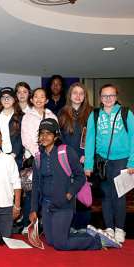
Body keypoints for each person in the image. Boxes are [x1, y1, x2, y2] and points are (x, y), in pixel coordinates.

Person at [30, 118, 120, 250]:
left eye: (49, 133)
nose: (44, 136)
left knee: (60, 245)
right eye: (42, 133)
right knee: (51, 241)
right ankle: (79, 233)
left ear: (55, 136)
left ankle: (97, 241)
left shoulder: (65, 152)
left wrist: (69, 194)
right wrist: (33, 209)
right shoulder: (37, 158)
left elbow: (80, 176)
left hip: (63, 205)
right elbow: (36, 184)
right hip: (47, 206)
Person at [84, 84, 134, 244]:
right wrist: (88, 165)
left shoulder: (126, 113)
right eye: (104, 96)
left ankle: (120, 229)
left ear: (116, 96)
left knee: (119, 195)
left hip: (122, 160)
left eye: (111, 95)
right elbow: (89, 140)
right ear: (100, 98)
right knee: (105, 196)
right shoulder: (95, 115)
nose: (108, 99)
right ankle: (109, 228)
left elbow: (133, 137)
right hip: (102, 162)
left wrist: (132, 161)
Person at [20, 87, 57, 234]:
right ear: (31, 99)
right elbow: (26, 140)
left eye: (42, 96)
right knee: (31, 192)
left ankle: (44, 224)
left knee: (47, 190)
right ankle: (27, 225)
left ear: (46, 100)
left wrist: (48, 152)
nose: (39, 99)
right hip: (34, 158)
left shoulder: (52, 115)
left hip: (49, 157)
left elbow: (56, 136)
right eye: (36, 96)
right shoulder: (27, 116)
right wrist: (39, 153)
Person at [58, 82, 93, 231]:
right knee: (68, 194)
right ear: (70, 95)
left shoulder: (92, 113)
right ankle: (69, 226)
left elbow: (93, 138)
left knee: (83, 195)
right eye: (75, 93)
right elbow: (60, 138)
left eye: (81, 93)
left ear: (85, 96)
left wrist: (87, 156)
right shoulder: (62, 113)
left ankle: (83, 227)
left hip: (85, 160)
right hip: (67, 161)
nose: (78, 96)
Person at [0, 87, 24, 169]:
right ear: (0, 100)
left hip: (16, 159)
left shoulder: (21, 117)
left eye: (9, 97)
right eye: (3, 97)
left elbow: (21, 138)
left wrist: (13, 155)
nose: (6, 99)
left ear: (14, 100)